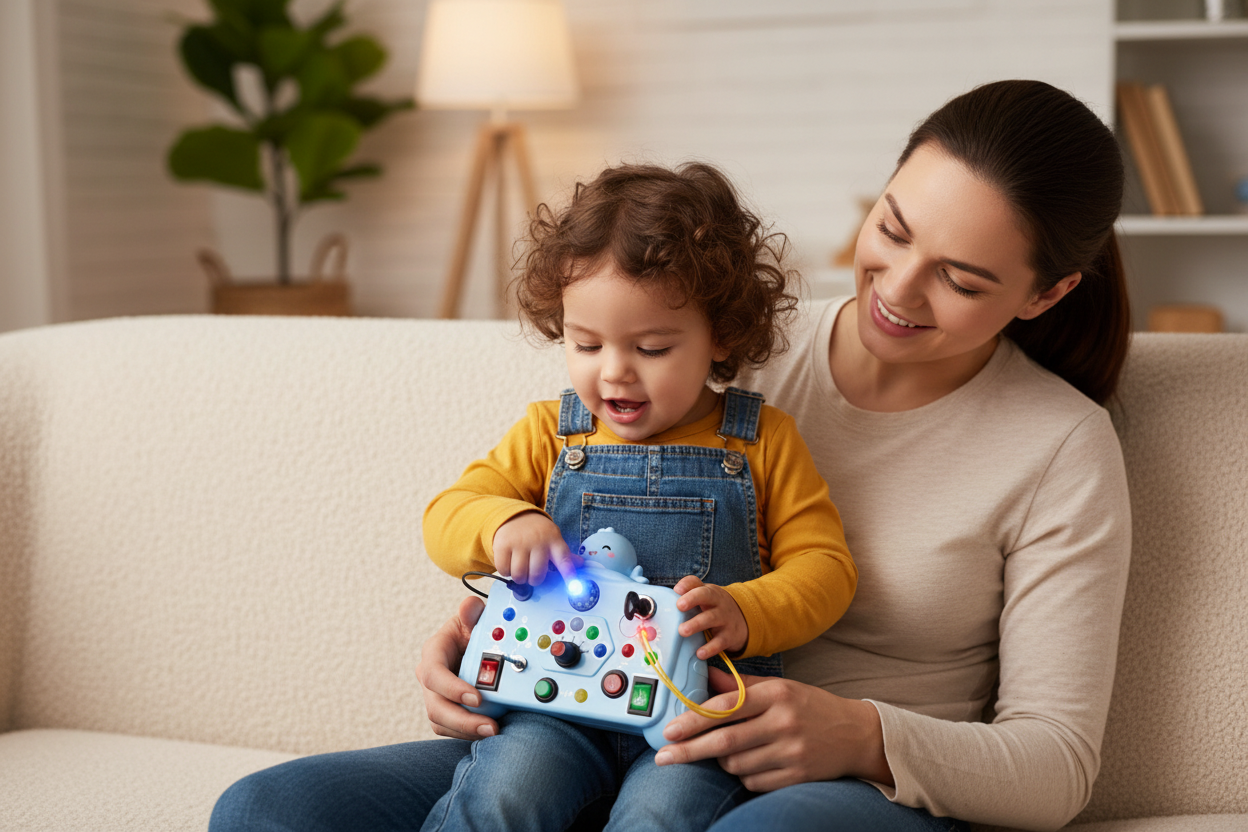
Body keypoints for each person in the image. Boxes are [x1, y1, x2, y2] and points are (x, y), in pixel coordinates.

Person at [209, 79, 1132, 832]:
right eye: (891, 230)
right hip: (580, 712)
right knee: (265, 813)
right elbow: (502, 502)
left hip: (818, 783)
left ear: (1046, 294)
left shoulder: (1057, 446)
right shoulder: (704, 337)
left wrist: (861, 735)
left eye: (960, 279)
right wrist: (483, 634)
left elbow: (1054, 766)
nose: (898, 286)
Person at [417, 161, 857, 832]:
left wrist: (747, 610)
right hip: (553, 708)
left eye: (651, 348)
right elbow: (445, 517)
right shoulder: (551, 434)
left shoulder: (762, 441)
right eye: (586, 344)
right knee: (504, 793)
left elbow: (826, 569)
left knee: (662, 814)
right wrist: (505, 522)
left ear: (721, 335)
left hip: (694, 714)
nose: (614, 371)